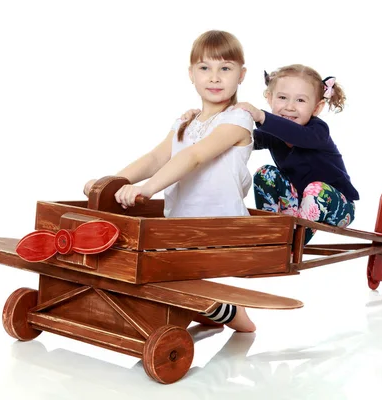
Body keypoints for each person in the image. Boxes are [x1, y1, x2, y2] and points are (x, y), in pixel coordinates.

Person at [83, 30, 256, 332]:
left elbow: (195, 157)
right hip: (179, 223)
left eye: (225, 68)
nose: (214, 77)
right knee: (148, 268)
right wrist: (110, 182)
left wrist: (147, 189)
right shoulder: (185, 122)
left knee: (165, 275)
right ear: (191, 74)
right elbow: (155, 158)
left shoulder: (238, 120)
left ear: (241, 75)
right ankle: (210, 310)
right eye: (205, 68)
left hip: (219, 225)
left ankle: (234, 316)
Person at [181, 64, 359, 243]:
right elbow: (239, 137)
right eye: (282, 97)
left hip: (337, 204)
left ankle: (288, 245)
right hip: (297, 203)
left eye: (300, 100)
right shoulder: (273, 134)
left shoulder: (318, 131)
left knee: (316, 189)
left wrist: (262, 117)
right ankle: (270, 232)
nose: (290, 107)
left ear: (316, 108)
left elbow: (298, 136)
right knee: (265, 173)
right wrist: (203, 123)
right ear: (269, 98)